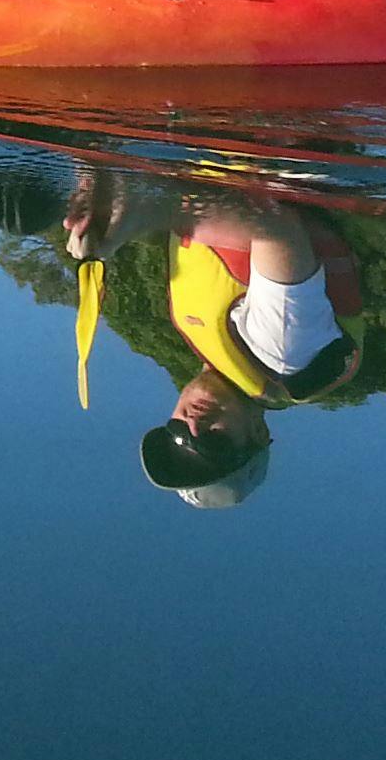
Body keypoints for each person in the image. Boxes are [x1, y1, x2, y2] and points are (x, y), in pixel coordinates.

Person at [63, 176, 366, 510]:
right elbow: (275, 226)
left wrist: (100, 197)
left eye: (176, 433)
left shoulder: (210, 346)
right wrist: (145, 211)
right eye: (215, 442)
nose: (193, 425)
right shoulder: (285, 355)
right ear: (259, 434)